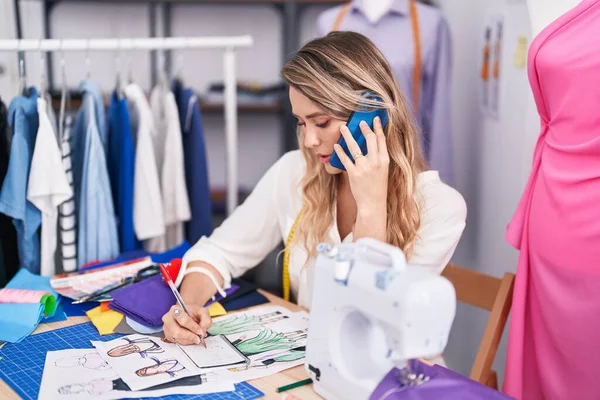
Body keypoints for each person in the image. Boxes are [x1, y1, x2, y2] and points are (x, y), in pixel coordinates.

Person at [161, 31, 467, 351]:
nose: (309, 141)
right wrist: (187, 308)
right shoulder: (296, 171)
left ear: (372, 117)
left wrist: (372, 206)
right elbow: (220, 253)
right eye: (301, 122)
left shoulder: (440, 208)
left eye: (321, 122)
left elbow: (361, 323)